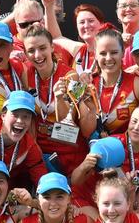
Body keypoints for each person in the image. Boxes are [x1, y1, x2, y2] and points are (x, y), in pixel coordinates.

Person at [23, 25, 90, 176]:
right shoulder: (25, 74)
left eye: (42, 48)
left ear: (52, 47)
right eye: (31, 51)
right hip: (40, 150)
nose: (37, 55)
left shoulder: (72, 76)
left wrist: (59, 99)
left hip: (69, 150)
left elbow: (70, 120)